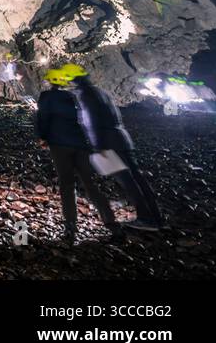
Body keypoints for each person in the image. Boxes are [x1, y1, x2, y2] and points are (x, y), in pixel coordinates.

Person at [65, 64, 164, 231]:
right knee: (138, 179)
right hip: (122, 139)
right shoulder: (101, 91)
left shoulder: (85, 94)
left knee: (128, 182)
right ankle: (157, 218)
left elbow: (90, 121)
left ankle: (146, 219)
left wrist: (97, 147)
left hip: (108, 143)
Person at [36, 66, 122, 244]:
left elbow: (43, 118)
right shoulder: (73, 96)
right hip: (81, 145)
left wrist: (42, 137)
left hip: (59, 145)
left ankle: (70, 227)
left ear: (51, 81)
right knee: (91, 185)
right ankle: (112, 224)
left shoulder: (46, 97)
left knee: (67, 185)